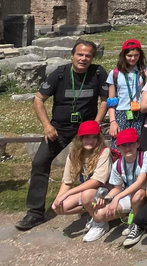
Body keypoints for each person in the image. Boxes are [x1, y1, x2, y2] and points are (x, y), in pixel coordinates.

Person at [16, 39, 109, 231]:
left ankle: (99, 202)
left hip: (87, 130)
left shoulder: (98, 73)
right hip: (59, 128)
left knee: (98, 163)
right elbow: (38, 100)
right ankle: (34, 212)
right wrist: (47, 125)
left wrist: (96, 124)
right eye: (80, 54)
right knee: (40, 161)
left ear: (92, 58)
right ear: (72, 55)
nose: (83, 59)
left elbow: (104, 101)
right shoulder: (59, 73)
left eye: (88, 56)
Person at [51, 120, 112, 241]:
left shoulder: (104, 151)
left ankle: (100, 222)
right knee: (62, 207)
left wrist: (68, 193)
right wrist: (59, 198)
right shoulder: (74, 154)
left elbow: (97, 181)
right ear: (80, 139)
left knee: (86, 195)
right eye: (86, 137)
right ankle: (92, 212)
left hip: (106, 191)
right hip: (89, 192)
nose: (90, 141)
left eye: (94, 137)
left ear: (98, 138)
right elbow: (68, 181)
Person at [92, 128, 147, 245]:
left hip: (146, 194)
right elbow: (117, 188)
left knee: (137, 194)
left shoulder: (146, 156)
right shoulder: (117, 164)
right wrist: (107, 198)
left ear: (138, 144)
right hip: (128, 195)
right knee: (99, 215)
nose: (127, 148)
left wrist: (118, 198)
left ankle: (137, 225)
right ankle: (129, 215)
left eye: (131, 144)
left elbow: (140, 182)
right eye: (123, 145)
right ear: (118, 148)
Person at [107, 39, 147, 144]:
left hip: (139, 112)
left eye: (136, 55)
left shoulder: (143, 70)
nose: (133, 58)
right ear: (123, 56)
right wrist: (112, 121)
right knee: (120, 145)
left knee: (137, 146)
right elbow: (111, 101)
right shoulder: (115, 73)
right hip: (121, 113)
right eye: (129, 55)